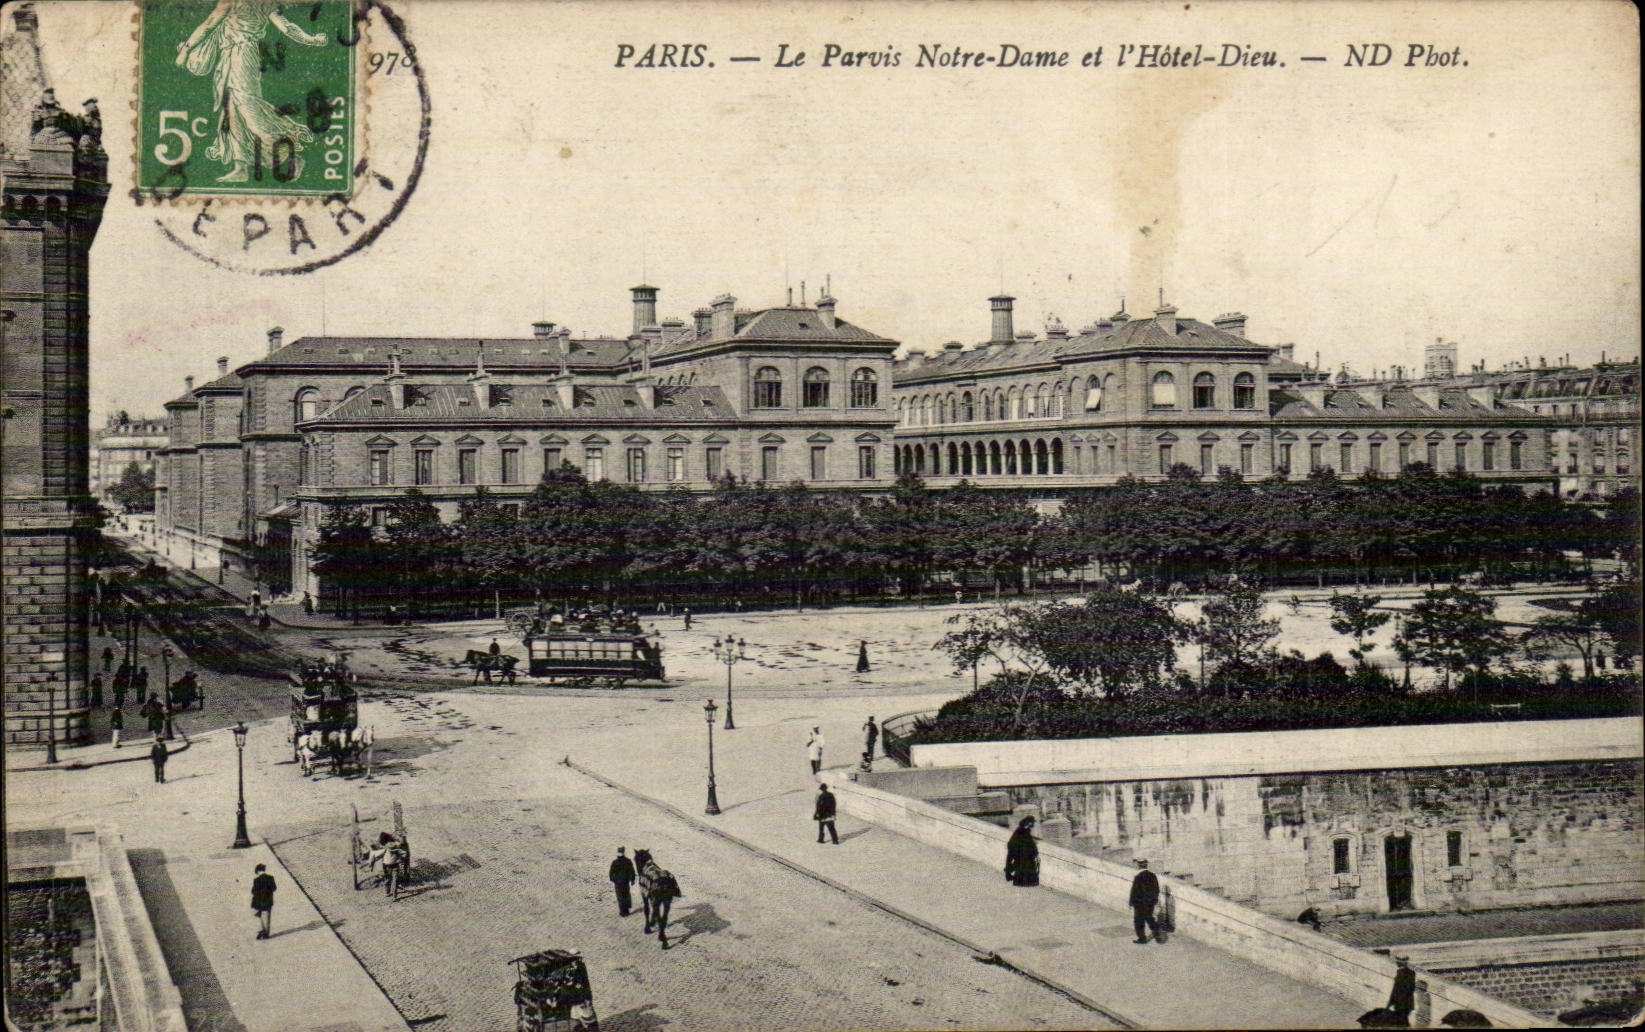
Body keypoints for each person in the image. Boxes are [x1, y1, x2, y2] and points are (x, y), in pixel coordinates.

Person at [174, 0, 328, 183]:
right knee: (230, 111)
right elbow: (287, 27)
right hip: (230, 56)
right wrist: (311, 40)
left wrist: (184, 52)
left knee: (249, 110)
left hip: (242, 56)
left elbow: (209, 24)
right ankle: (240, 168)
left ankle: (291, 155)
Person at [1130, 857, 1161, 943]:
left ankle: (1142, 938)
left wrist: (1131, 902)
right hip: (1150, 903)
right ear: (1146, 865)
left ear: (1139, 865)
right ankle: (1157, 933)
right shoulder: (1153, 875)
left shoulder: (1138, 877)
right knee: (1149, 918)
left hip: (1139, 904)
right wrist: (1154, 901)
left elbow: (1134, 891)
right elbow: (1157, 890)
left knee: (1139, 921)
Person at [1004, 816, 1039, 886]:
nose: (1033, 824)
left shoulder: (1022, 830)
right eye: (1032, 822)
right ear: (1029, 823)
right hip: (1021, 854)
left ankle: (1019, 881)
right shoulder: (1023, 831)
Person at [1386, 955, 1417, 1026]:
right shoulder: (1411, 973)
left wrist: (1390, 1002)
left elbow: (1396, 989)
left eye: (1397, 962)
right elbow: (1412, 988)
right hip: (1408, 1004)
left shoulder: (1400, 973)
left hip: (1400, 1004)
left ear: (1402, 963)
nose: (1396, 963)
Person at [251, 863, 277, 939]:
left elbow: (253, 891)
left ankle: (263, 930)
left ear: (258, 871)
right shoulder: (271, 878)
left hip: (259, 901)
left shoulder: (256, 880)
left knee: (261, 915)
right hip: (268, 900)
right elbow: (274, 888)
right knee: (267, 916)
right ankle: (266, 933)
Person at [609, 847, 636, 916]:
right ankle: (626, 911)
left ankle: (622, 911)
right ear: (624, 853)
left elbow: (611, 873)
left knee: (620, 896)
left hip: (618, 883)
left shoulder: (615, 862)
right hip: (625, 882)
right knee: (626, 895)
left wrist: (614, 879)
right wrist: (632, 879)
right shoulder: (628, 861)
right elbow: (632, 871)